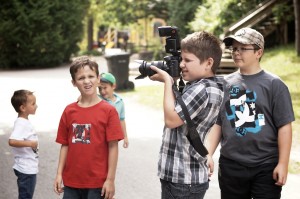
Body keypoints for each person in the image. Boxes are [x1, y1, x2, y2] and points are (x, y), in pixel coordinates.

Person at [206, 27, 295, 199]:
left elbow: (284, 127)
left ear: (258, 52)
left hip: (265, 165)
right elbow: (218, 123)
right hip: (231, 165)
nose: (237, 53)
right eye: (234, 48)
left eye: (243, 48)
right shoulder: (225, 83)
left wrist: (283, 164)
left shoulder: (274, 85)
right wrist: (209, 153)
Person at [149, 31, 224, 199]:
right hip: (183, 177)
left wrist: (168, 82)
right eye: (181, 59)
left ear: (208, 63)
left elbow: (171, 119)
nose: (182, 64)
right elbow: (181, 110)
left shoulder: (201, 89)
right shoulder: (205, 86)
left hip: (183, 178)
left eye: (188, 60)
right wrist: (174, 84)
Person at [53, 56, 124, 199]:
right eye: (81, 78)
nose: (86, 81)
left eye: (91, 76)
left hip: (98, 184)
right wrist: (59, 174)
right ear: (74, 82)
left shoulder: (109, 111)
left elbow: (113, 147)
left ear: (98, 79)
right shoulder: (69, 111)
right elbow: (65, 145)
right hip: (72, 183)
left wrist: (110, 180)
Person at [9, 89, 39, 199]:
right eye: (33, 104)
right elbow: (12, 141)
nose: (36, 106)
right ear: (23, 108)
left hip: (28, 167)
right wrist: (30, 143)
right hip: (26, 169)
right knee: (25, 196)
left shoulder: (24, 121)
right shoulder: (21, 123)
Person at [98, 72, 129, 148]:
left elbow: (121, 120)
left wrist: (125, 137)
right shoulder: (97, 99)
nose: (102, 91)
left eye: (105, 88)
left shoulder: (120, 101)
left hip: (112, 137)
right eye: (99, 88)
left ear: (113, 86)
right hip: (99, 137)